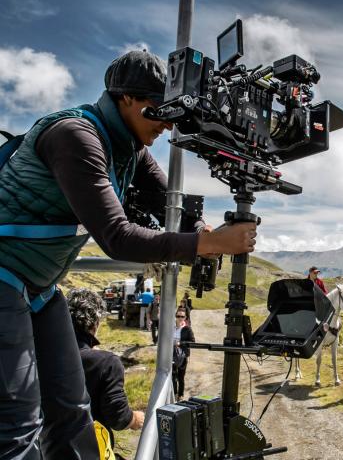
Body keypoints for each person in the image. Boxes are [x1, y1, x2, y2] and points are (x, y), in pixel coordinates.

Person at [0, 49, 256, 458]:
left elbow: (166, 201)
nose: (167, 124)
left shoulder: (130, 147)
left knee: (71, 405)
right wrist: (208, 245)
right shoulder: (76, 136)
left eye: (173, 114)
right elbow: (116, 237)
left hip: (39, 287)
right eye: (158, 112)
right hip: (5, 279)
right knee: (17, 421)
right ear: (126, 100)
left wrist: (202, 230)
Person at [67, 288, 145, 449]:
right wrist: (135, 419)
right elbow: (118, 416)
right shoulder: (106, 362)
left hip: (46, 447)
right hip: (91, 449)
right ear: (95, 323)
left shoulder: (45, 354)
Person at [173, 307, 195, 401]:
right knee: (172, 376)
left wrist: (180, 343)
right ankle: (174, 393)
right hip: (171, 355)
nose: (180, 318)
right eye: (178, 316)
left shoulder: (187, 329)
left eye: (182, 316)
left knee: (180, 376)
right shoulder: (171, 327)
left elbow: (193, 342)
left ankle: (180, 394)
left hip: (182, 356)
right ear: (175, 316)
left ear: (185, 317)